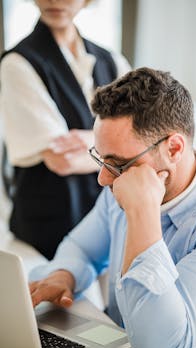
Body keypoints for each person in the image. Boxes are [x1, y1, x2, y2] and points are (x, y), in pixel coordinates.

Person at [29, 67, 196, 348]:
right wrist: (65, 274)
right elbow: (82, 248)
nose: (103, 179)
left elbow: (161, 344)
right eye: (101, 160)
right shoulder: (119, 183)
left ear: (174, 148)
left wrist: (143, 214)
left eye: (118, 163)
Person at [0, 0, 130, 259]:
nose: (54, 1)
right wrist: (120, 153)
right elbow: (62, 159)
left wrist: (87, 139)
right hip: (48, 232)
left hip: (111, 221)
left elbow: (140, 136)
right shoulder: (17, 63)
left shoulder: (111, 60)